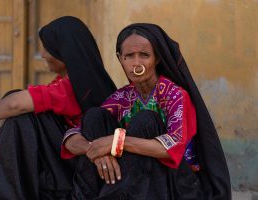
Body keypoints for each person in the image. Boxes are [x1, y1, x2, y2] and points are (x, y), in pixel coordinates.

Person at [64, 23, 231, 199]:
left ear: (157, 58)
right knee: (94, 117)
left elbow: (172, 147)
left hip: (176, 184)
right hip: (134, 180)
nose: (137, 63)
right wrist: (96, 152)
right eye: (129, 56)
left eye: (144, 55)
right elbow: (73, 137)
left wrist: (116, 142)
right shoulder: (122, 97)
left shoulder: (175, 95)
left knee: (146, 121)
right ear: (121, 59)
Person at [0, 16, 116, 200]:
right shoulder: (83, 81)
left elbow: (14, 104)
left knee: (22, 114)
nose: (42, 54)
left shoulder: (69, 88)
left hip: (74, 170)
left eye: (47, 48)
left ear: (63, 52)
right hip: (66, 161)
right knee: (17, 102)